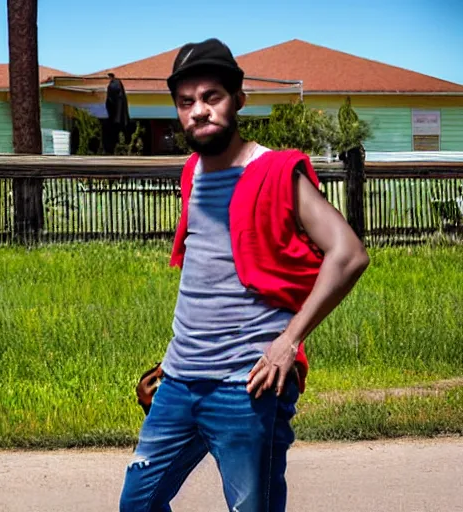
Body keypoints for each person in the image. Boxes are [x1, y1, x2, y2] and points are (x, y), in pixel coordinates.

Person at [119, 38, 370, 512]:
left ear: (238, 99)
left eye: (211, 96)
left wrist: (288, 342)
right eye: (186, 101)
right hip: (177, 381)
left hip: (247, 385)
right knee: (138, 504)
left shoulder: (276, 171)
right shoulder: (192, 171)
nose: (198, 111)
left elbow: (348, 253)